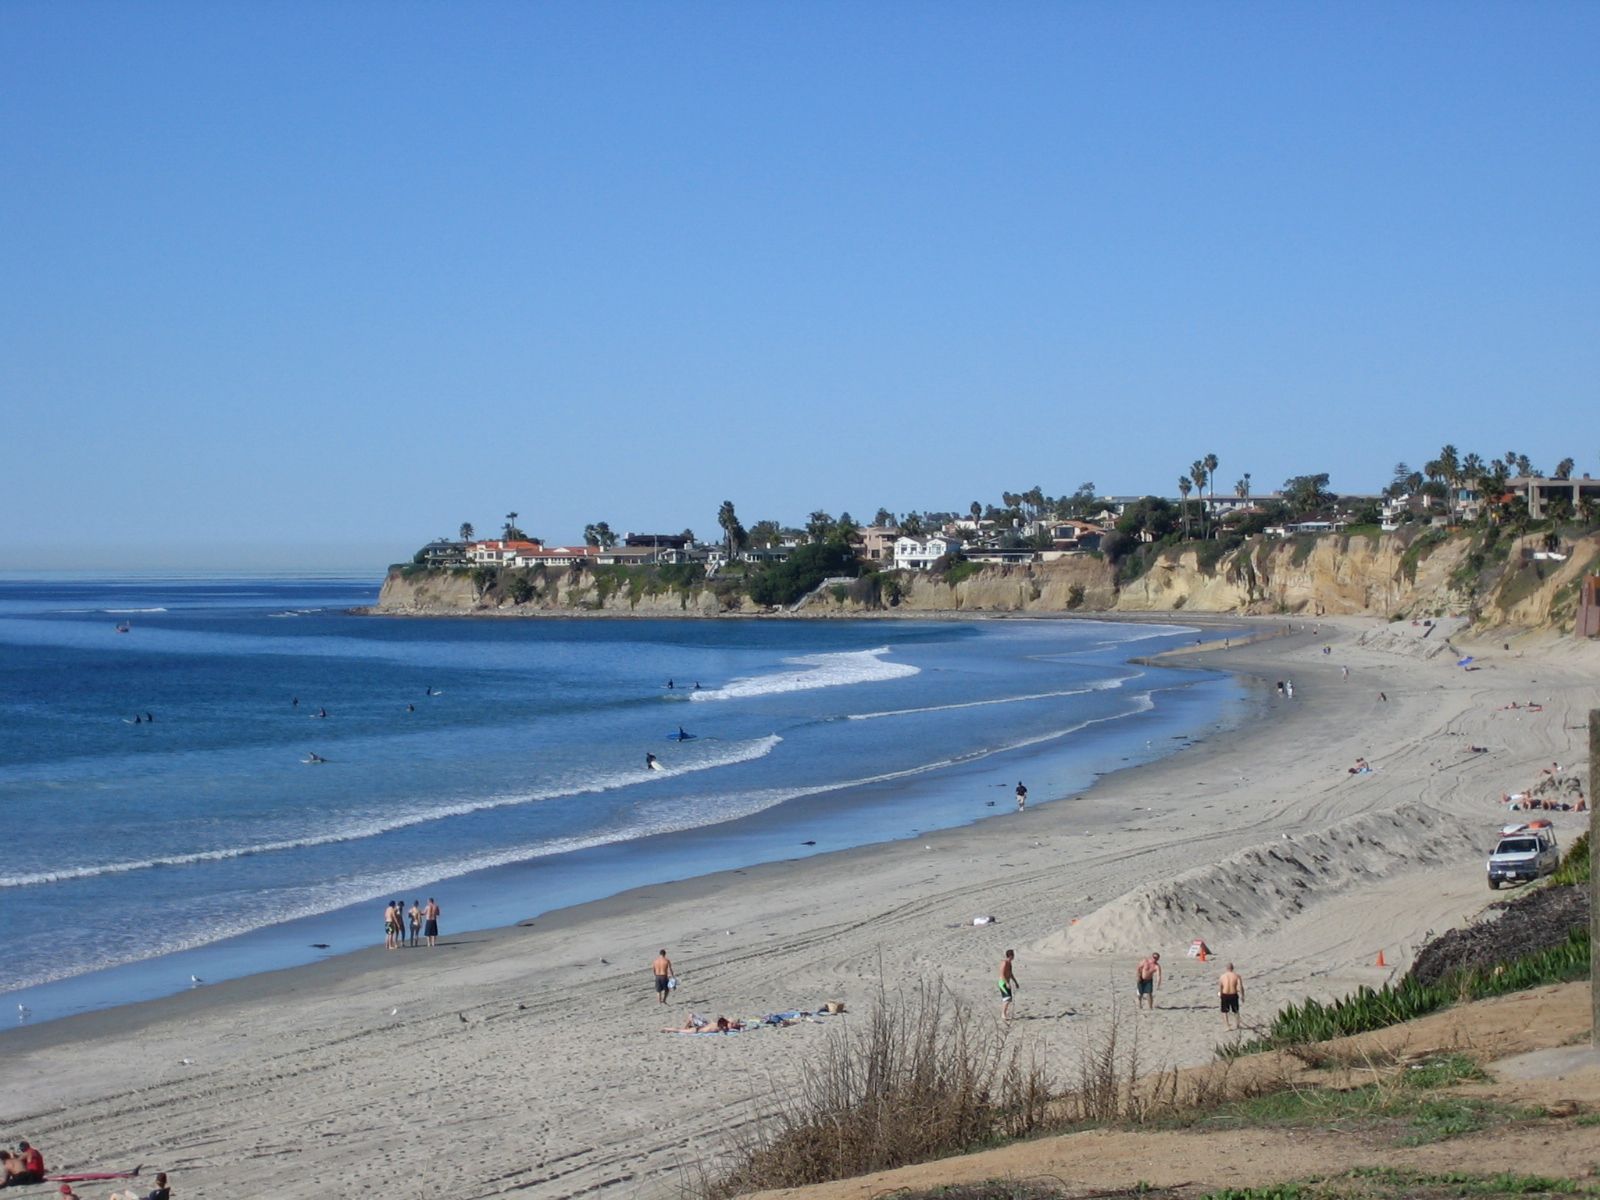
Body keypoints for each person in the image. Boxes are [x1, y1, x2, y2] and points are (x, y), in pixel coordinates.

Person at [1219, 962, 1244, 1030]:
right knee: (1236, 1010)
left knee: (1224, 1011)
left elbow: (1221, 986)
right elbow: (1240, 987)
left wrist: (1220, 994)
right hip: (1233, 994)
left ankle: (1227, 1026)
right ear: (1232, 968)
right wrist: (1242, 995)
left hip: (1225, 994)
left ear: (1226, 968)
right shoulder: (1236, 976)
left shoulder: (1222, 976)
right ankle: (1237, 1024)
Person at [997, 949, 1019, 1020]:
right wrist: (1006, 983)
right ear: (1010, 955)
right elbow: (1002, 974)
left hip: (1007, 982)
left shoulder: (1009, 963)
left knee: (1009, 999)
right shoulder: (1005, 963)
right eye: (1013, 955)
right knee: (1006, 999)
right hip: (1002, 983)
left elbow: (1010, 974)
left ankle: (1004, 1013)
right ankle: (1003, 1014)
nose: (1014, 957)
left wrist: (1015, 982)